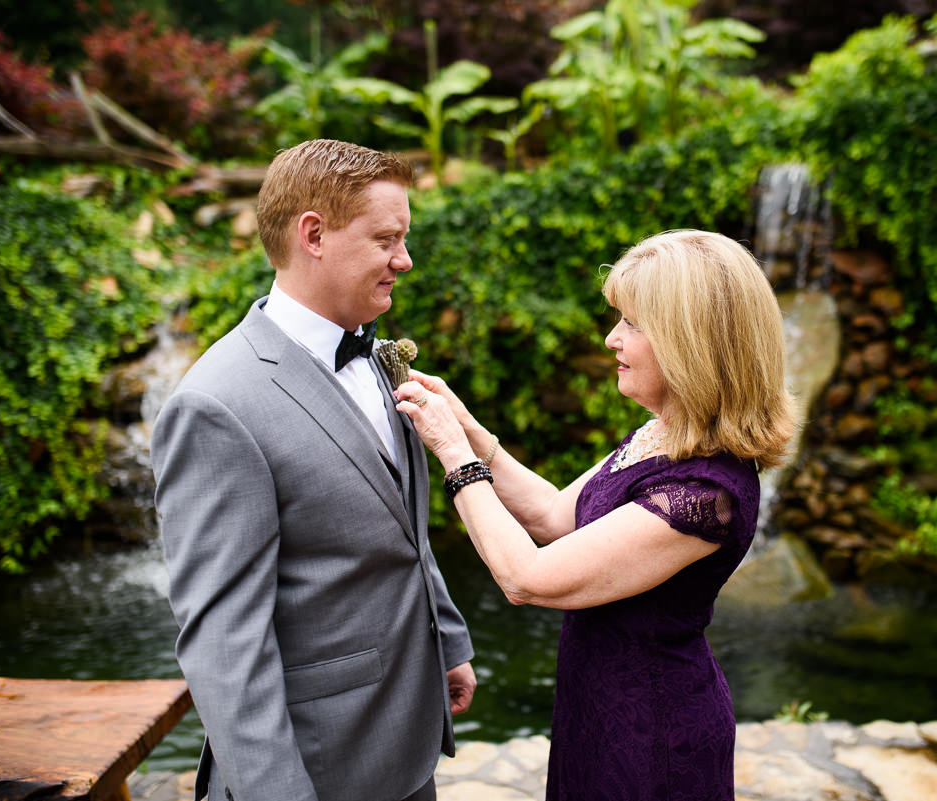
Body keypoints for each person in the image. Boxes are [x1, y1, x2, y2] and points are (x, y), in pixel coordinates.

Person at [395, 229, 799, 801]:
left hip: (654, 735)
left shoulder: (705, 491)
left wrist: (453, 455)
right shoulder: (666, 435)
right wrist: (467, 428)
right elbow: (556, 514)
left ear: (692, 342)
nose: (612, 339)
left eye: (633, 324)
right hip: (600, 708)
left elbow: (527, 579)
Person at [151, 139, 476, 801]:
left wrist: (445, 636)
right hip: (320, 766)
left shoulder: (376, 352)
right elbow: (224, 643)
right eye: (387, 238)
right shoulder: (216, 404)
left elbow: (399, 523)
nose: (404, 260)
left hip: (403, 745)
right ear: (313, 234)